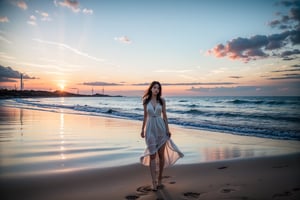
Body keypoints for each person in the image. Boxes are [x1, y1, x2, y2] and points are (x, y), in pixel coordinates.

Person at [140, 81, 184, 191]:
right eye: (154, 87)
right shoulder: (146, 101)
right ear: (151, 89)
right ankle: (153, 182)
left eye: (158, 88)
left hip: (161, 128)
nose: (156, 90)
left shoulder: (162, 100)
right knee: (152, 155)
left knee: (161, 155)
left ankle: (159, 179)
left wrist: (168, 130)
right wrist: (142, 129)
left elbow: (164, 115)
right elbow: (145, 116)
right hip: (150, 129)